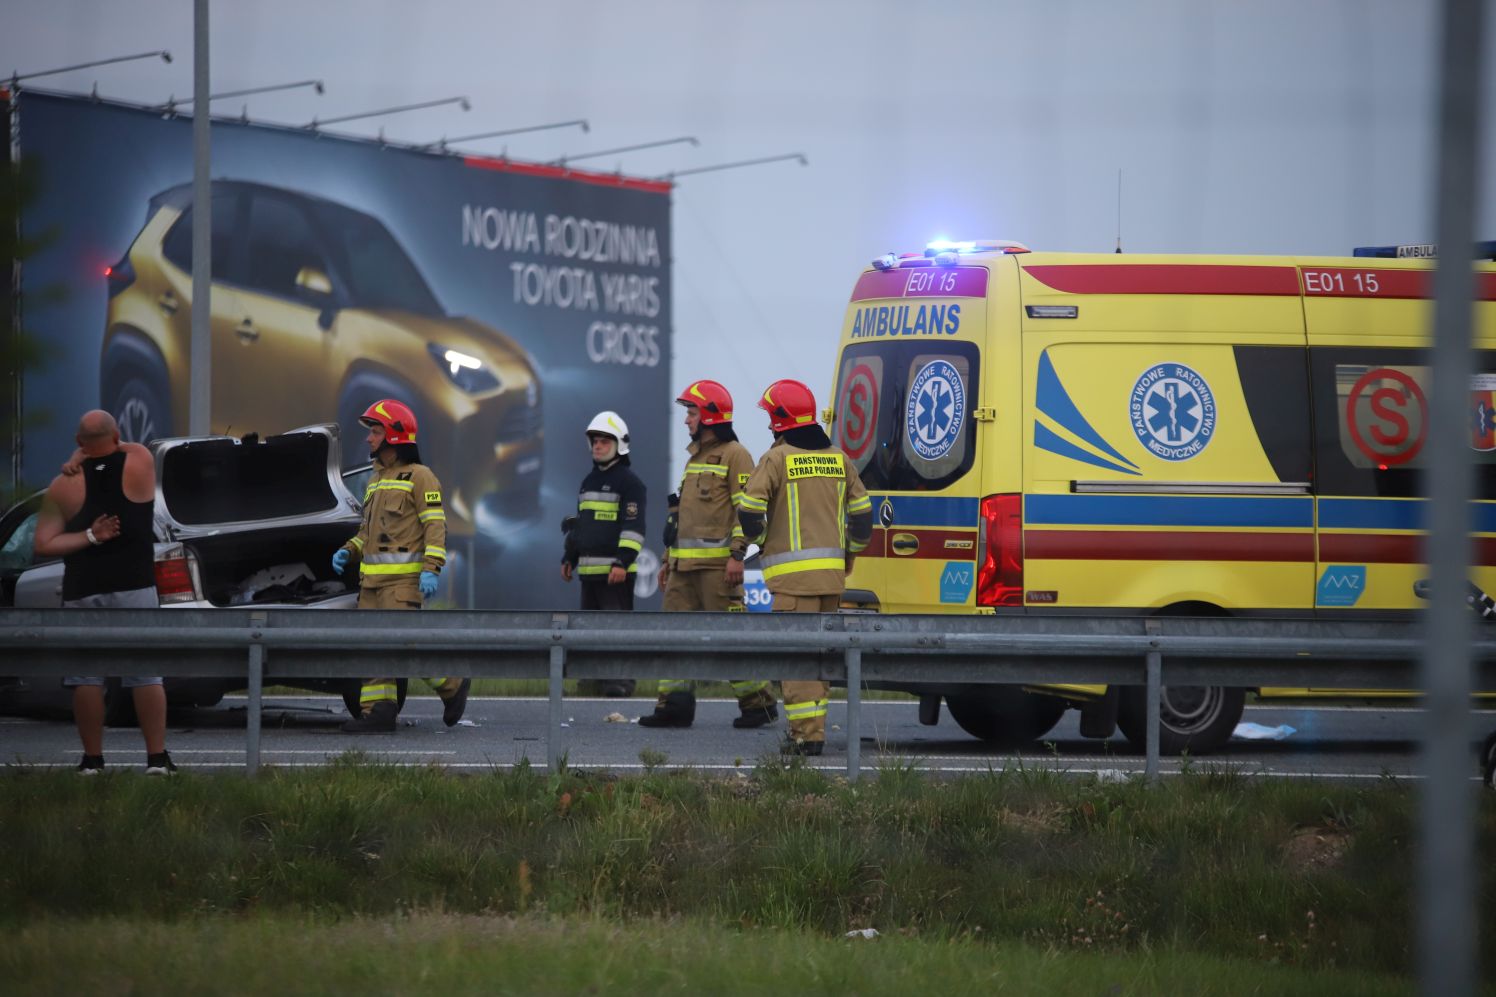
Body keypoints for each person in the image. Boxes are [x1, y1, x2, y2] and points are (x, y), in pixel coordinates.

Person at [33, 410, 175, 774]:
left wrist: (88, 536)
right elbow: (118, 445)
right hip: (134, 585)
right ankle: (156, 759)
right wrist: (89, 450)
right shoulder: (138, 460)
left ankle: (92, 760)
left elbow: (44, 543)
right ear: (116, 435)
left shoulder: (62, 485)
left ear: (79, 442)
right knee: (145, 674)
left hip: (83, 588)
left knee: (86, 677)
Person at [737, 379, 872, 755]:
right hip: (831, 581)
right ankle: (813, 731)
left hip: (792, 584)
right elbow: (863, 517)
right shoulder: (839, 458)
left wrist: (760, 539)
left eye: (770, 417)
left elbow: (748, 508)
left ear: (782, 419)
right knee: (820, 659)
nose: (767, 425)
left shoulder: (776, 459)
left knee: (796, 661)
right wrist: (850, 556)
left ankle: (805, 738)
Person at [641, 379, 777, 728]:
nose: (687, 420)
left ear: (711, 417)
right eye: (687, 413)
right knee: (674, 637)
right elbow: (684, 519)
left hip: (719, 570)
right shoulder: (694, 460)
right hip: (683, 571)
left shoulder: (737, 456)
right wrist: (669, 559)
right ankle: (674, 706)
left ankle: (758, 705)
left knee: (729, 639)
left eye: (692, 413)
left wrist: (736, 556)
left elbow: (746, 513)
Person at [333, 399, 470, 733]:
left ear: (394, 435)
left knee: (404, 644)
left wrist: (431, 568)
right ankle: (378, 712)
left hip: (403, 584)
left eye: (376, 431)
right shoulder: (376, 480)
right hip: (372, 585)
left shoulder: (420, 477)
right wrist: (349, 550)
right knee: (371, 647)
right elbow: (368, 533)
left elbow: (435, 526)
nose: (369, 439)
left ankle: (453, 684)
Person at [561, 411, 645, 697]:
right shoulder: (588, 482)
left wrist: (622, 562)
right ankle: (591, 682)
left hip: (615, 574)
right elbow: (582, 526)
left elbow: (633, 528)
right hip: (589, 573)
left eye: (604, 441)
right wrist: (569, 558)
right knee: (588, 633)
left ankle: (620, 683)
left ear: (620, 444)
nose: (597, 446)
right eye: (595, 441)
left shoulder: (630, 483)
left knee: (615, 632)